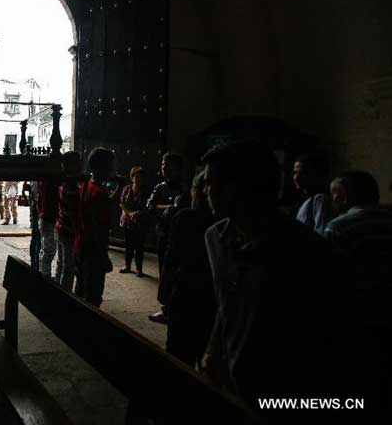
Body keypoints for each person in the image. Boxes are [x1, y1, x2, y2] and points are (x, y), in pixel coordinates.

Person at [199, 141, 356, 417]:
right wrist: (213, 351)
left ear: (238, 188)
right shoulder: (215, 239)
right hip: (231, 385)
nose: (204, 190)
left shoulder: (309, 253)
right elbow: (228, 301)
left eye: (211, 182)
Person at [324, 170, 392, 412]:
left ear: (342, 196)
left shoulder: (339, 228)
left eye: (333, 194)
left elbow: (327, 284)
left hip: (357, 326)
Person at [162, 170, 215, 368]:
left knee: (178, 354)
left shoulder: (185, 218)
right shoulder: (222, 223)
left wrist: (166, 297)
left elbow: (171, 258)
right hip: (210, 300)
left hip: (185, 293)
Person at [74, 147, 119, 307]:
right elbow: (98, 229)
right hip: (93, 252)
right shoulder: (99, 192)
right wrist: (104, 257)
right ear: (103, 168)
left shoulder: (87, 185)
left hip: (81, 247)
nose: (114, 170)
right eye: (111, 166)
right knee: (93, 298)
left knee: (80, 291)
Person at [146, 152, 186, 323]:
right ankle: (166, 308)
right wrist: (170, 207)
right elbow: (150, 207)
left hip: (181, 238)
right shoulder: (160, 188)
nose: (164, 168)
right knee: (164, 272)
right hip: (163, 235)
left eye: (168, 165)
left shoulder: (185, 187)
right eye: (163, 165)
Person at [55, 151, 82, 291]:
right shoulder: (71, 187)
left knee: (61, 264)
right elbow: (73, 213)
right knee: (69, 267)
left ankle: (58, 292)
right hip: (69, 230)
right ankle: (65, 297)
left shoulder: (63, 182)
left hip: (61, 227)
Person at [293, 153, 334, 234]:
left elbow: (321, 233)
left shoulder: (320, 200)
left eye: (303, 173)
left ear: (316, 174)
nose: (296, 177)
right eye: (295, 173)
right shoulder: (308, 200)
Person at [119, 166, 148, 277]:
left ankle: (139, 269)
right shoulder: (127, 189)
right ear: (132, 177)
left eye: (141, 177)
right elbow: (122, 203)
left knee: (139, 247)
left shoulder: (145, 191)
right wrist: (129, 213)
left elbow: (147, 206)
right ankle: (127, 266)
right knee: (128, 246)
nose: (138, 179)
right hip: (127, 221)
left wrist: (138, 213)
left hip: (140, 223)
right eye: (136, 176)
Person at [37, 178, 59, 278]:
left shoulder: (45, 181)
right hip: (49, 218)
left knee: (46, 249)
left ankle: (44, 274)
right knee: (48, 251)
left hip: (46, 217)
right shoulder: (51, 182)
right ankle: (45, 275)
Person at [24, 181, 41, 269]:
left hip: (37, 208)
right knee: (37, 239)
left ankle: (35, 265)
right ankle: (35, 265)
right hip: (39, 209)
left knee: (36, 238)